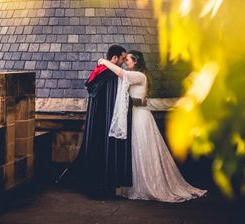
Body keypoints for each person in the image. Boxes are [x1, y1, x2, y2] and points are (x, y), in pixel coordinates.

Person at [98, 50, 207, 202]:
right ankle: (134, 185)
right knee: (136, 151)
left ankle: (148, 185)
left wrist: (104, 62)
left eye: (128, 60)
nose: (125, 62)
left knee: (142, 150)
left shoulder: (139, 76)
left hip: (140, 119)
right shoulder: (138, 76)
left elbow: (121, 73)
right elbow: (140, 101)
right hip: (137, 114)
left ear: (135, 61)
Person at [65, 44, 133, 197]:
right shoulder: (110, 75)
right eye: (122, 58)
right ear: (114, 58)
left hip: (96, 119)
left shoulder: (99, 72)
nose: (123, 62)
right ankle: (104, 185)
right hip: (105, 121)